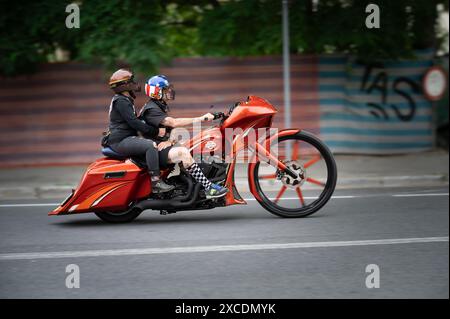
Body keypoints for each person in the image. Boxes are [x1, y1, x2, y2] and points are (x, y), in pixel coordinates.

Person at [139, 75, 228, 199]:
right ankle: (209, 188)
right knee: (183, 153)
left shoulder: (158, 106)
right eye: (165, 90)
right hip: (153, 151)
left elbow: (168, 129)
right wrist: (201, 119)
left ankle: (188, 185)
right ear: (156, 92)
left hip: (157, 147)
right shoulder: (151, 110)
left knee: (190, 146)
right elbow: (173, 123)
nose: (168, 92)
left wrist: (170, 140)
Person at [103, 69, 174, 193]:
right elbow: (134, 123)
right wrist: (154, 132)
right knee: (150, 146)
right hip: (119, 140)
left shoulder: (124, 100)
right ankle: (156, 182)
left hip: (124, 138)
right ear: (123, 85)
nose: (134, 83)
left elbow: (136, 121)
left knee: (150, 143)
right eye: (131, 81)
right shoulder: (121, 101)